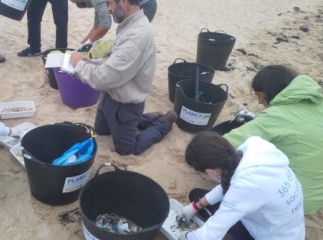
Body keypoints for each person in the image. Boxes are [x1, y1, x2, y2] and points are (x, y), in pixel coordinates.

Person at [70, 0, 177, 156]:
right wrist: (91, 61)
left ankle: (163, 123)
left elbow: (103, 78)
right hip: (110, 97)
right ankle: (146, 119)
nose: (109, 8)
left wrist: (78, 65)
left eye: (111, 3)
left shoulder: (135, 37)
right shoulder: (131, 24)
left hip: (125, 105)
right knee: (101, 131)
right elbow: (114, 61)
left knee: (127, 150)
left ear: (125, 2)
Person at [222, 65, 323, 215]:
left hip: (292, 200)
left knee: (243, 158)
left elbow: (227, 144)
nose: (259, 102)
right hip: (316, 198)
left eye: (259, 96)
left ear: (268, 92)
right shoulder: (317, 103)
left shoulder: (278, 116)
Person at [179, 132, 305, 240]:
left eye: (200, 173)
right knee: (197, 196)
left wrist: (184, 236)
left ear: (210, 172)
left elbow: (210, 235)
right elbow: (229, 183)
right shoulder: (253, 146)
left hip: (272, 236)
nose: (201, 177)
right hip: (290, 229)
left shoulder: (247, 185)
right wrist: (196, 206)